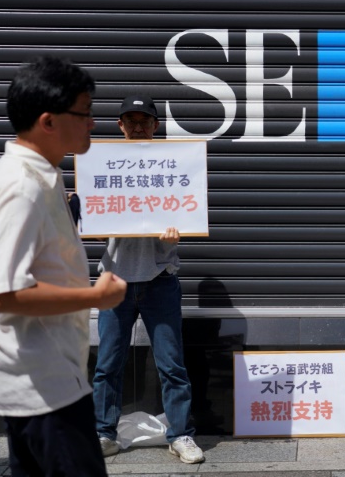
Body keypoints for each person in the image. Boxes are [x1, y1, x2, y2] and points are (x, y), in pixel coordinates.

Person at [0, 55, 127, 476]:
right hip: (44, 389)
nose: (92, 123)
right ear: (48, 121)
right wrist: (96, 296)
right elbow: (6, 292)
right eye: (84, 113)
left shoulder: (39, 176)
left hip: (42, 379)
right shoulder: (21, 187)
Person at [92, 95, 204, 464]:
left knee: (171, 364)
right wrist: (86, 216)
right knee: (108, 364)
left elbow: (187, 209)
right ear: (120, 125)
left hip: (160, 279)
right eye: (131, 120)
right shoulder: (101, 166)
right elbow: (89, 227)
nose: (138, 126)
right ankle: (104, 434)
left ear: (156, 126)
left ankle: (181, 435)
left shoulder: (173, 167)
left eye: (145, 120)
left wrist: (178, 233)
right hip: (114, 281)